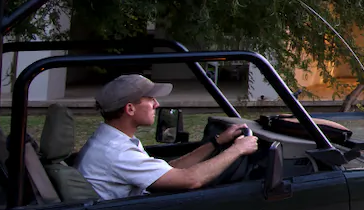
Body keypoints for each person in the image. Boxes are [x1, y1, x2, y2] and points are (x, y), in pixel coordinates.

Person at [79, 74, 259, 200]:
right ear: (130, 109)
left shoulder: (113, 140)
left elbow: (168, 170)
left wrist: (216, 142)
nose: (156, 104)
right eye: (150, 99)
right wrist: (238, 149)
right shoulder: (117, 152)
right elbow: (191, 180)